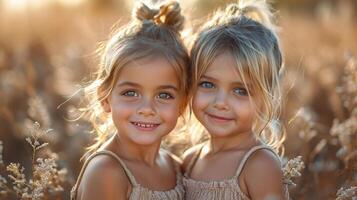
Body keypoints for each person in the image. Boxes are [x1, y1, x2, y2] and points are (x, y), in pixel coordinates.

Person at [70, 1, 190, 199]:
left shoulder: (175, 166)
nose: (146, 108)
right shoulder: (106, 172)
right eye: (131, 93)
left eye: (164, 95)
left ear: (183, 104)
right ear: (105, 97)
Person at [182, 0, 289, 199]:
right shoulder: (190, 161)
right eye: (207, 84)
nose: (220, 102)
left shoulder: (259, 165)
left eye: (240, 90)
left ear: (264, 98)